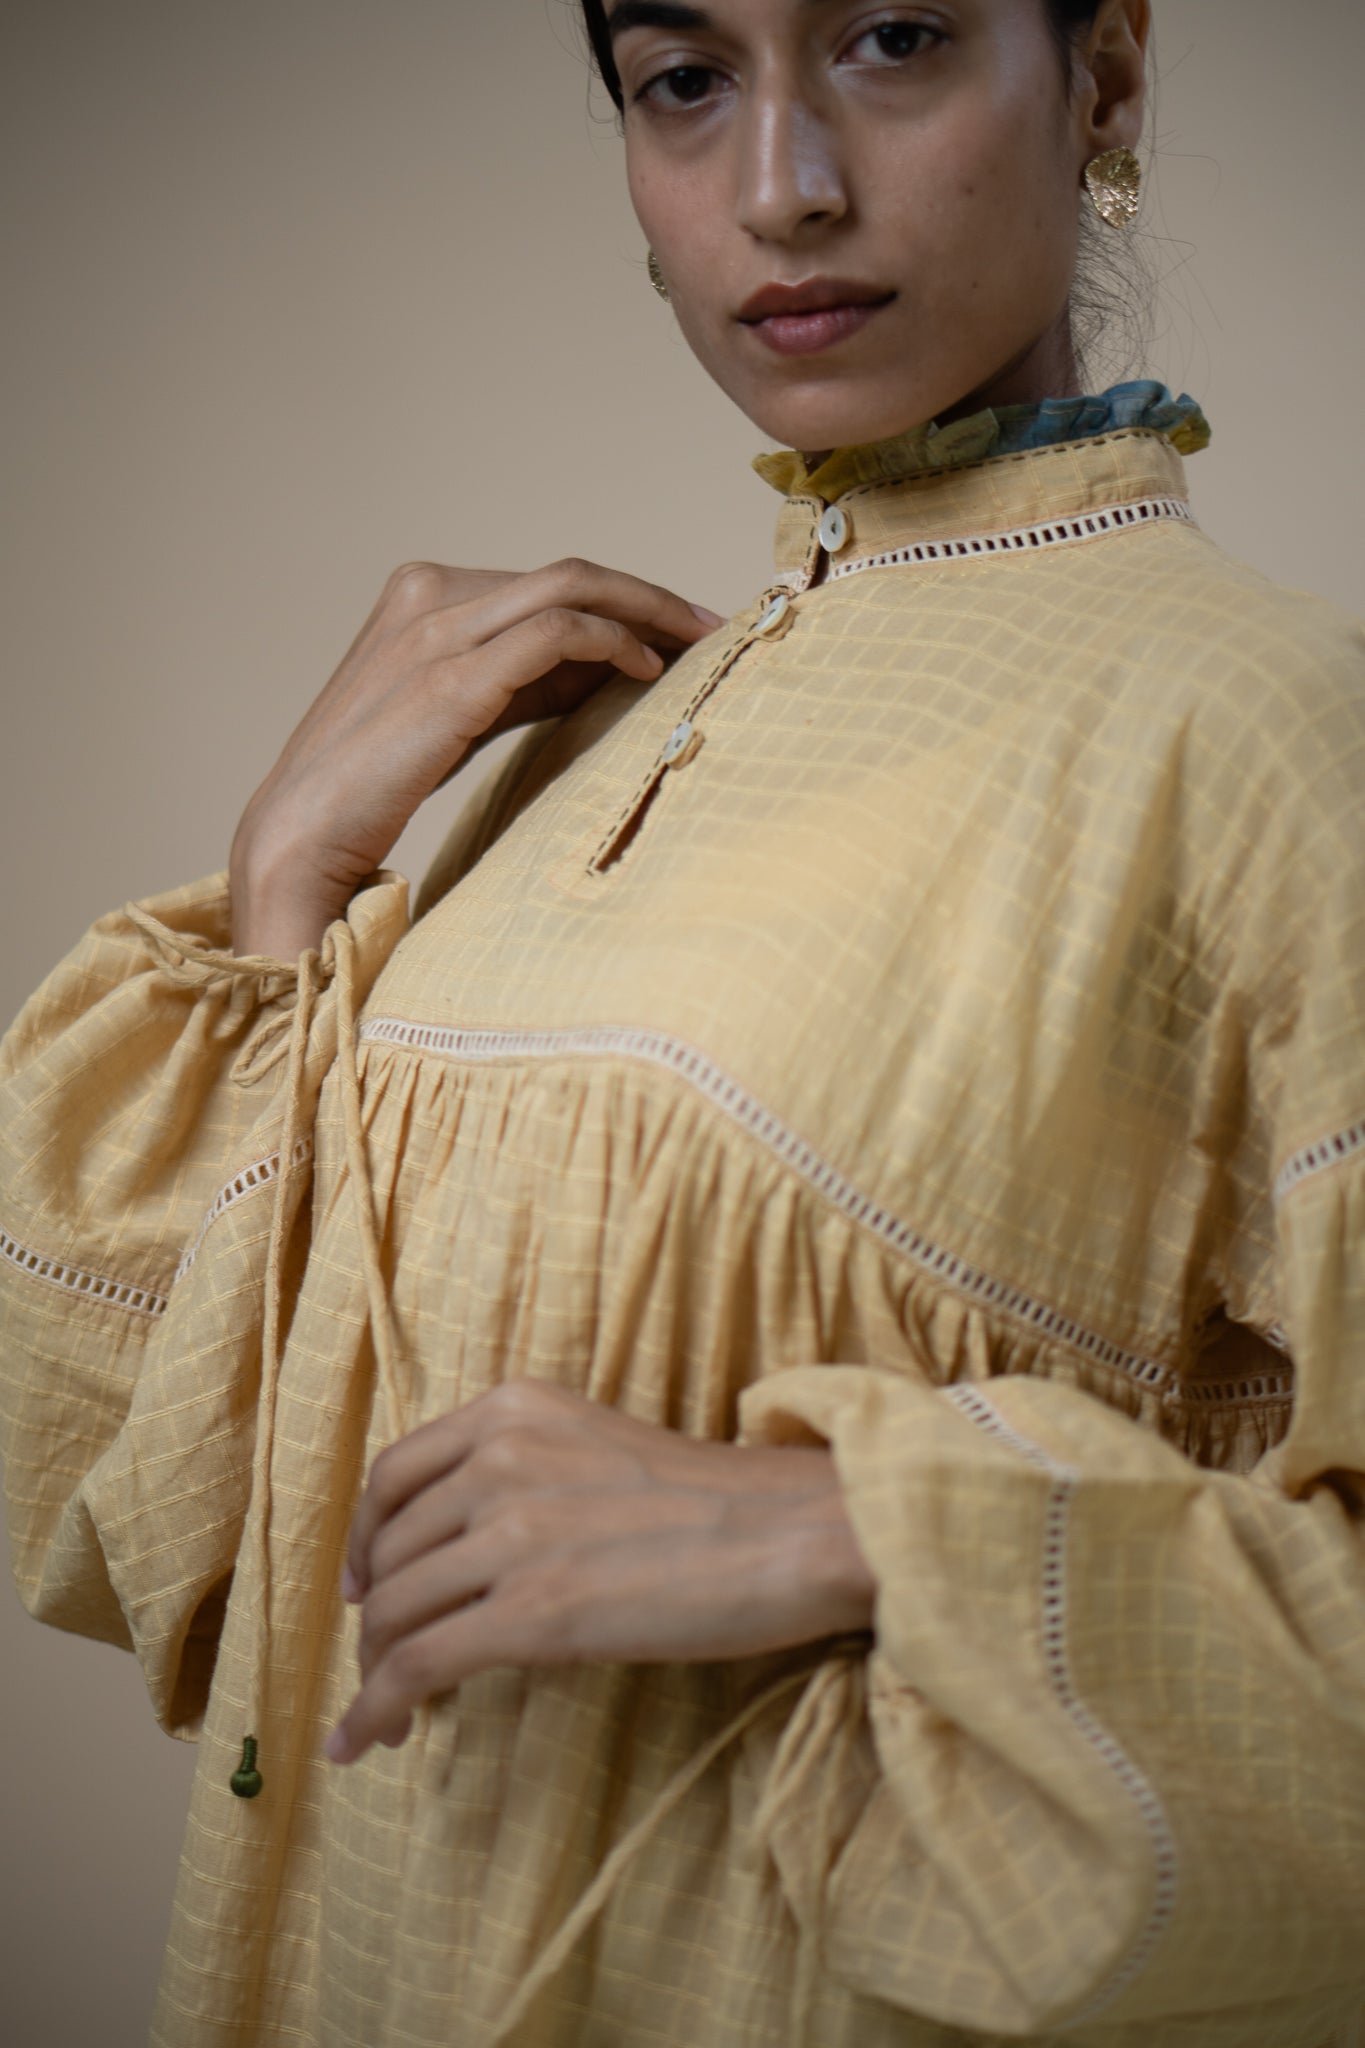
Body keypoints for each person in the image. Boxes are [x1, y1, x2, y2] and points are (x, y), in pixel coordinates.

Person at [3, 0, 1364, 2041]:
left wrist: (871, 1529)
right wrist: (290, 881)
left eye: (889, 38)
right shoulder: (587, 745)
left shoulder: (1275, 739)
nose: (780, 188)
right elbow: (173, 1543)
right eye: (684, 80)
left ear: (1099, 76)